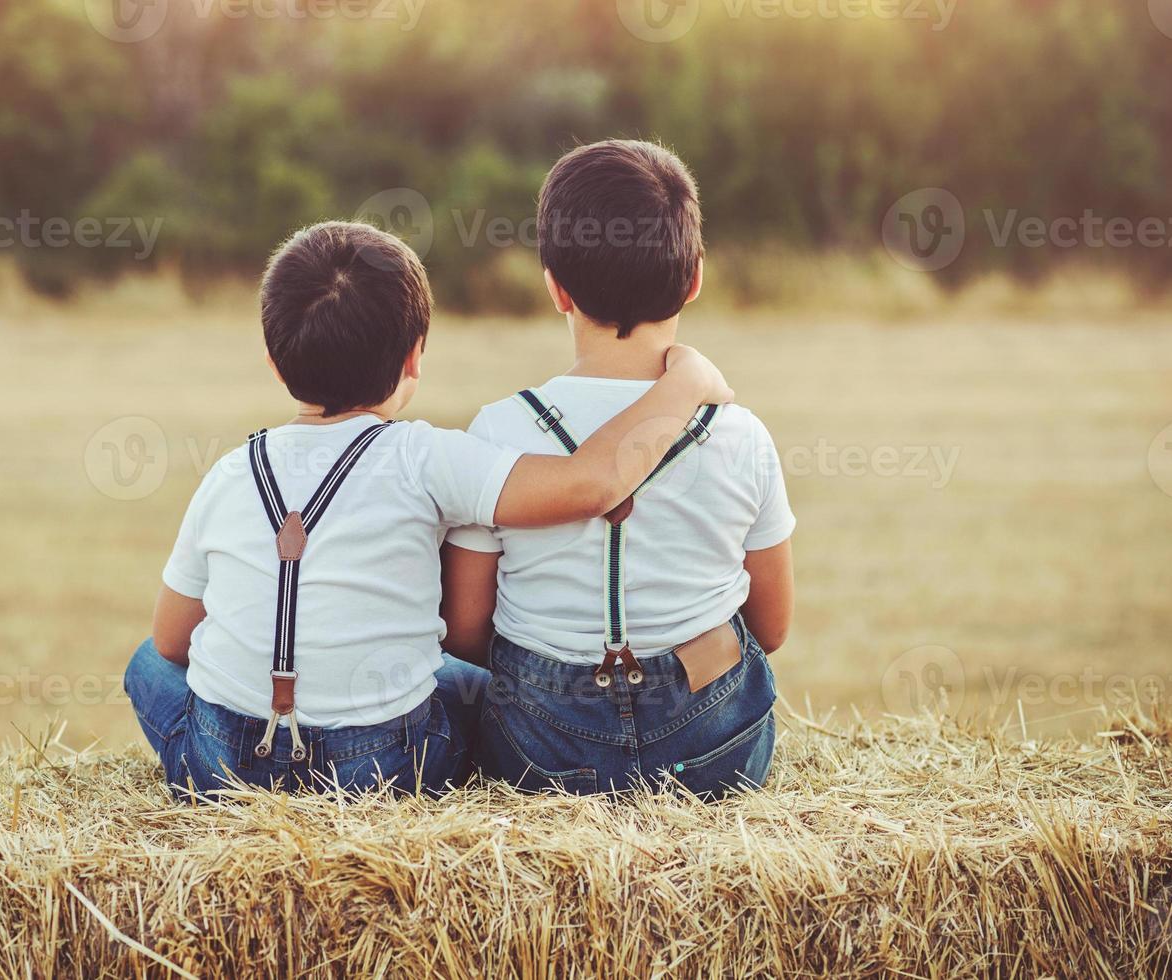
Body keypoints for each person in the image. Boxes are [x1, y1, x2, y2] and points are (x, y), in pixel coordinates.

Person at [124, 219, 736, 799]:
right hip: (383, 766)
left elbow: (170, 640)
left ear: (275, 362)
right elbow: (593, 482)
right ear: (414, 356)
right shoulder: (428, 457)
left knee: (145, 664)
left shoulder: (230, 470)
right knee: (471, 687)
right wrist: (684, 383)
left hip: (223, 767)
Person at [441, 141, 795, 798]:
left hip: (540, 755)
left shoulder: (498, 430)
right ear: (694, 279)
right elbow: (771, 628)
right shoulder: (743, 435)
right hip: (717, 753)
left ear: (555, 286)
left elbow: (465, 631)